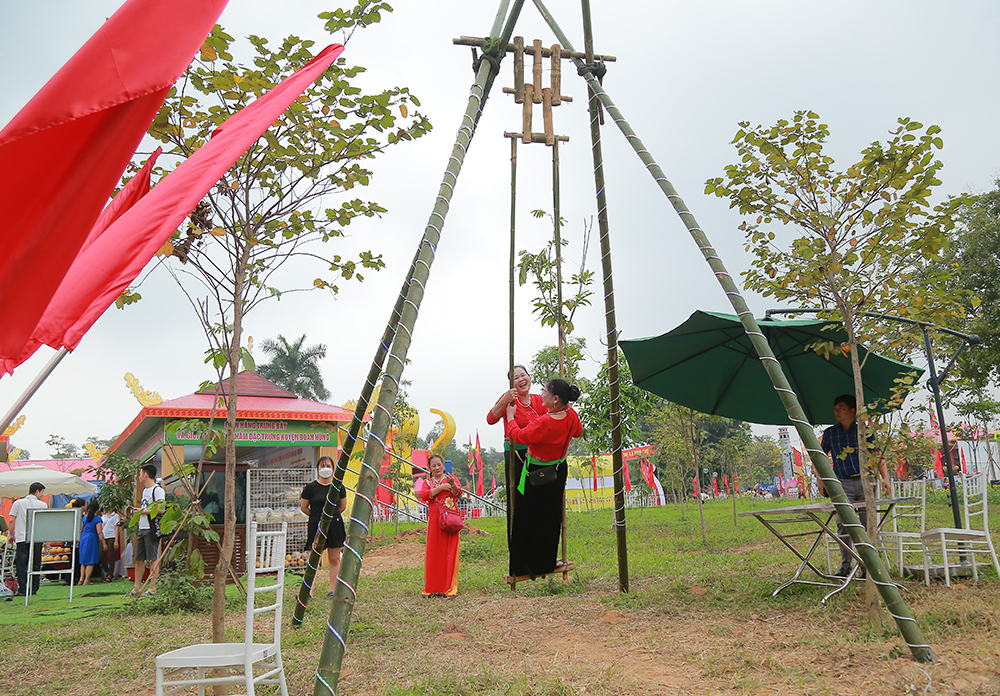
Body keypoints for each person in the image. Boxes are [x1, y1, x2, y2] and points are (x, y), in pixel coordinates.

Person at [504, 378, 583, 577]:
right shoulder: (570, 415)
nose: (542, 395)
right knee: (550, 519)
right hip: (558, 470)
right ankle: (547, 561)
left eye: (546, 392)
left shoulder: (544, 422)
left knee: (528, 518)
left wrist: (511, 417)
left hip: (536, 473)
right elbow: (578, 432)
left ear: (556, 399)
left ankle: (525, 565)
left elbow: (519, 436)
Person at [818, 394, 892, 577]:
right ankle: (845, 565)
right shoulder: (830, 433)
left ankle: (868, 565)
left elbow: (878, 456)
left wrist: (885, 479)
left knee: (868, 524)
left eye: (841, 409)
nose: (837, 412)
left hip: (866, 481)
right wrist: (820, 480)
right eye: (835, 409)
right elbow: (819, 457)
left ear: (852, 411)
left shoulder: (865, 432)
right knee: (843, 523)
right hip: (842, 482)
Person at [486, 365, 547, 566]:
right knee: (518, 504)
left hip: (538, 455)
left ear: (529, 378)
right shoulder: (509, 400)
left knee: (540, 503)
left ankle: (542, 553)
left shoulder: (539, 400)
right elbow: (491, 419)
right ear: (511, 384)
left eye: (524, 375)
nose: (521, 379)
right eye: (515, 377)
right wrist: (505, 400)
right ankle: (519, 558)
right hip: (516, 455)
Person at [416, 454, 463, 597]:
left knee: (450, 553)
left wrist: (452, 484)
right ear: (429, 468)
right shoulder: (428, 483)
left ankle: (449, 588)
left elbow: (458, 493)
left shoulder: (451, 478)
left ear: (443, 465)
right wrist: (442, 487)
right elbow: (424, 495)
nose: (437, 467)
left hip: (450, 520)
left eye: (439, 464)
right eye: (433, 465)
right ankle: (431, 587)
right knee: (433, 553)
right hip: (435, 521)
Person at [300, 456, 347, 598]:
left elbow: (342, 507)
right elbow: (304, 507)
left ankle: (332, 590)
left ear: (333, 468)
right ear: (318, 468)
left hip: (335, 525)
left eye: (328, 465)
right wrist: (317, 517)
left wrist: (330, 517)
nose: (325, 468)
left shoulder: (339, 486)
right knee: (313, 559)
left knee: (334, 559)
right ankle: (309, 591)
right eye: (322, 465)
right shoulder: (310, 488)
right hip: (316, 526)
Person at [130, 464, 165, 597]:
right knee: (139, 559)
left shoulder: (158, 490)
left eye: (140, 474)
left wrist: (142, 511)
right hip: (142, 528)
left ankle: (153, 588)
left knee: (152, 559)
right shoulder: (144, 490)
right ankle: (136, 588)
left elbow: (161, 509)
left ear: (145, 474)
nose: (138, 477)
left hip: (151, 529)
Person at [8, 482, 48, 596]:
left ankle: (23, 589)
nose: (41, 495)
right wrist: (47, 540)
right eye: (41, 492)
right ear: (37, 491)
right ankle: (34, 588)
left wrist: (11, 534)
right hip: (37, 538)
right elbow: (44, 524)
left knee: (22, 564)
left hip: (22, 538)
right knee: (36, 563)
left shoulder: (18, 503)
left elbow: (11, 520)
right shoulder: (42, 505)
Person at [78, 500, 105, 585]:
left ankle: (81, 579)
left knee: (83, 561)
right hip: (92, 539)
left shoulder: (84, 518)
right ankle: (87, 580)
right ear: (97, 509)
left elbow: (81, 529)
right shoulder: (97, 519)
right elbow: (99, 532)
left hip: (83, 537)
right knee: (90, 560)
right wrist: (104, 543)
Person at [100, 507, 121, 581]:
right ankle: (108, 571)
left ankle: (109, 575)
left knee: (111, 556)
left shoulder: (116, 516)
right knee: (100, 556)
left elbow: (116, 528)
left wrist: (116, 540)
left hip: (111, 536)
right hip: (104, 537)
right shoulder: (103, 517)